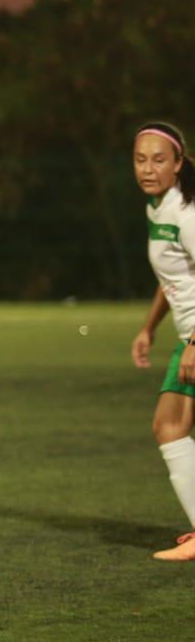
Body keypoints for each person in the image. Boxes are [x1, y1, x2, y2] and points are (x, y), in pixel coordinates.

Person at [130, 120, 195, 562]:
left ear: (177, 165)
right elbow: (170, 279)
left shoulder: (185, 213)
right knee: (169, 426)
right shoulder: (159, 208)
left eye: (158, 160)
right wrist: (149, 328)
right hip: (187, 334)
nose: (147, 169)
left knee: (169, 426)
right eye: (140, 159)